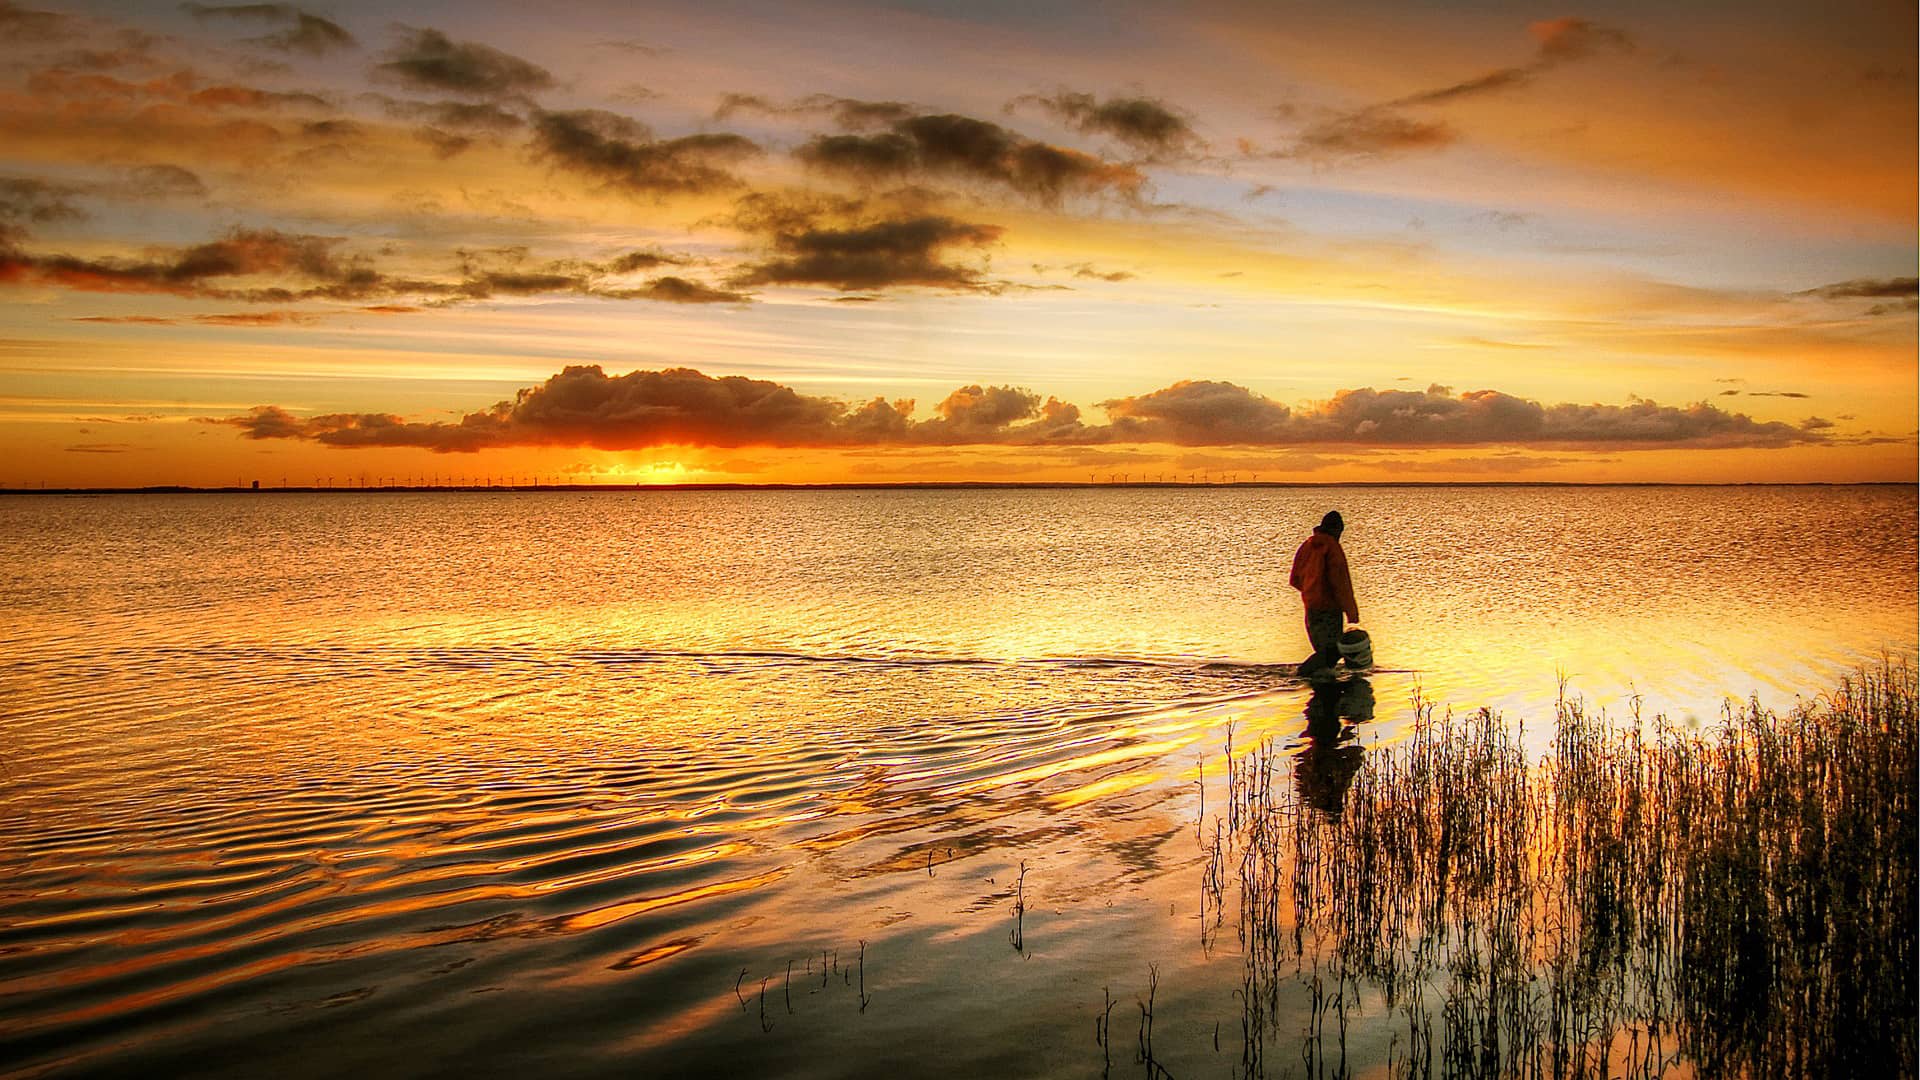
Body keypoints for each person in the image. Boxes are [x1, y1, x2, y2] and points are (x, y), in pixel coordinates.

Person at [1288, 510, 1359, 679]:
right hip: (1329, 608)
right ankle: (1300, 675)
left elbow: (1294, 579)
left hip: (1311, 607)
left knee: (1325, 653)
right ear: (1337, 530)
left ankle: (1315, 683)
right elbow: (1340, 584)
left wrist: (1311, 592)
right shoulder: (1333, 548)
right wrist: (1351, 612)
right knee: (1333, 651)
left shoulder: (1307, 546)